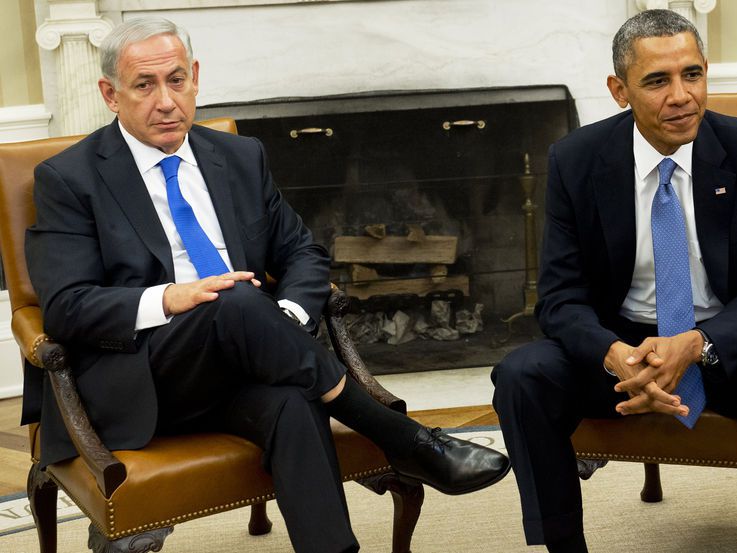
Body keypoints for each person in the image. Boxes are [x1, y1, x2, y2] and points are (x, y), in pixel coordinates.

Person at [23, 16, 510, 553]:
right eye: (144, 85)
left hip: (247, 363)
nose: (166, 101)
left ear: (197, 77)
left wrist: (285, 323)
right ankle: (403, 438)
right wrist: (169, 297)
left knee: (293, 404)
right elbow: (66, 307)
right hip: (144, 375)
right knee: (233, 298)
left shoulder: (238, 156)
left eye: (177, 80)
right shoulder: (69, 178)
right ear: (110, 94)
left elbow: (302, 252)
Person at [491, 9, 737, 553]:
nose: (681, 96)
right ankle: (561, 545)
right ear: (619, 90)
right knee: (521, 374)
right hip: (623, 348)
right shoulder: (576, 160)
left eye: (692, 74)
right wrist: (613, 353)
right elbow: (559, 298)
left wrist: (696, 344)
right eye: (657, 81)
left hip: (727, 346)